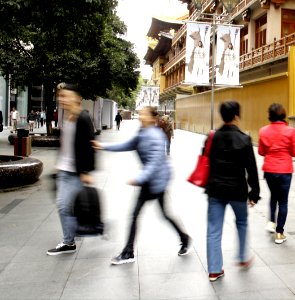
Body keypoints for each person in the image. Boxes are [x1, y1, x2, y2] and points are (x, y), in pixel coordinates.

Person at [93, 106, 192, 265]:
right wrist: (104, 146)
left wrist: (139, 178)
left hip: (156, 182)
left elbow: (154, 163)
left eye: (143, 114)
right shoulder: (142, 132)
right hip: (150, 181)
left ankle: (129, 252)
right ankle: (183, 239)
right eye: (140, 113)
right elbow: (127, 145)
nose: (140, 116)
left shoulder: (155, 136)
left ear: (152, 118)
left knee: (150, 215)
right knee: (153, 214)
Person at [205, 101, 260, 281]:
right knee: (242, 222)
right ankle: (243, 258)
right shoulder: (244, 139)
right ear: (237, 116)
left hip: (216, 190)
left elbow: (207, 161)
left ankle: (214, 269)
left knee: (214, 229)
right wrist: (254, 194)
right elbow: (251, 169)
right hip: (237, 190)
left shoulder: (212, 137)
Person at [46, 83, 96, 255]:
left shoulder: (83, 117)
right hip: (64, 169)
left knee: (64, 205)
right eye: (60, 96)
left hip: (75, 172)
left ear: (76, 97)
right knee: (66, 205)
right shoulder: (67, 117)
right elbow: (67, 144)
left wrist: (86, 172)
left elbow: (89, 145)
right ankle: (74, 234)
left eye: (65, 96)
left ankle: (69, 241)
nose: (61, 99)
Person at [258, 103, 295, 244]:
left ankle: (271, 222)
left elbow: (261, 152)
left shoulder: (263, 131)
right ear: (283, 115)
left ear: (270, 115)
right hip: (284, 170)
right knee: (283, 201)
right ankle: (279, 233)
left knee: (273, 197)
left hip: (269, 170)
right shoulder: (290, 131)